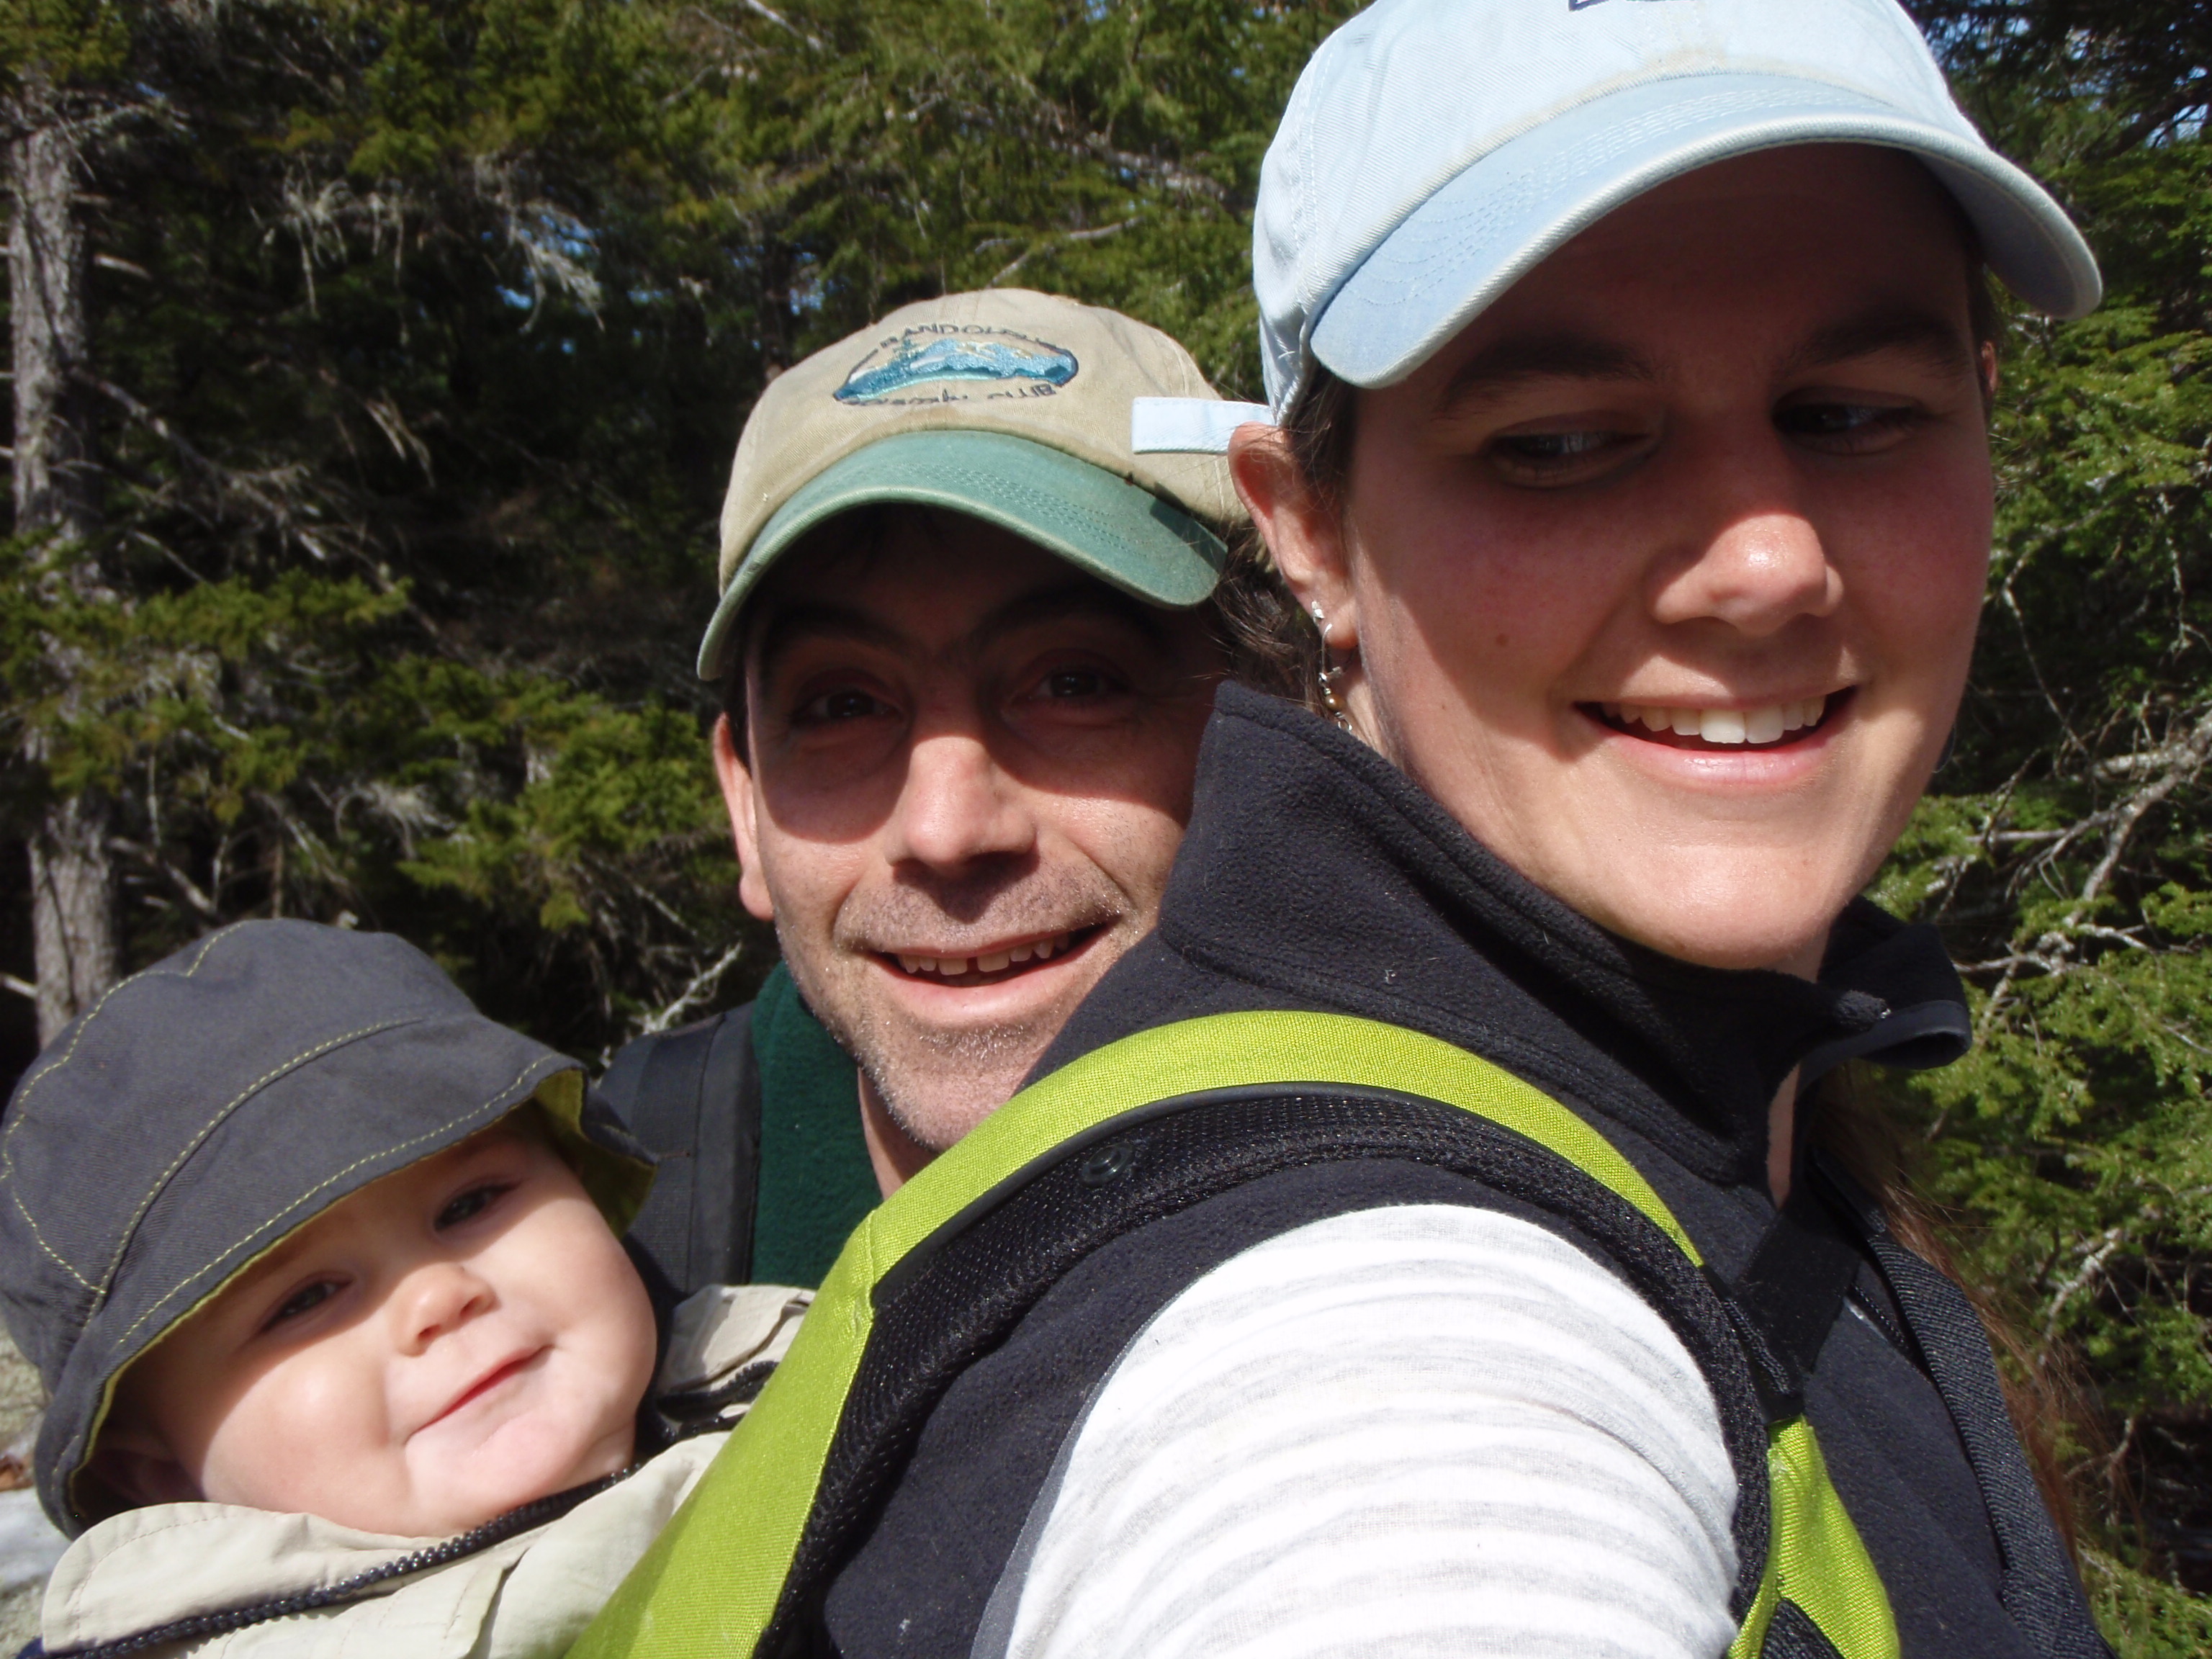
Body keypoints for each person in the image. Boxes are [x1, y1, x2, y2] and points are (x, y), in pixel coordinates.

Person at [569, 3, 2121, 1658]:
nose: (1761, 565)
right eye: (1556, 442)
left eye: (1854, 411)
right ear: (1311, 538)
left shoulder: (1744, 1110)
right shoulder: (1376, 1331)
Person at [601, 289, 1272, 1297]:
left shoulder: (1447, 1191)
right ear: (745, 804)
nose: (947, 829)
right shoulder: (612, 1243)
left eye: (1073, 683)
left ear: (1269, 721)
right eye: (842, 706)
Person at [0, 920, 809, 1657]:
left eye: (471, 1203)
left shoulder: (808, 1374)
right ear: (159, 1476)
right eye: (306, 1299)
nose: (439, 1297)